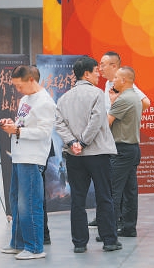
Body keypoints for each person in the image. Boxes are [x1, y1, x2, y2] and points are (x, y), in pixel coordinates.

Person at [54, 56, 121, 253]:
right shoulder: (97, 94)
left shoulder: (64, 98)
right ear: (86, 74)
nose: (98, 75)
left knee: (77, 199)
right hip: (97, 153)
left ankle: (79, 243)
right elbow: (97, 120)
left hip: (74, 156)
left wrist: (72, 143)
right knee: (104, 196)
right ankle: (109, 240)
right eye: (96, 71)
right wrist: (83, 142)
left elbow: (59, 124)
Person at [0, 65, 55, 260]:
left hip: (32, 157)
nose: (18, 89)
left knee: (29, 203)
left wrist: (18, 131)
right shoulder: (25, 99)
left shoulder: (45, 102)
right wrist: (12, 125)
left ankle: (35, 247)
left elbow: (44, 132)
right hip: (19, 155)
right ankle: (18, 242)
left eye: (19, 85)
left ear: (31, 79)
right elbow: (23, 124)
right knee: (16, 201)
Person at [107, 66, 142, 238]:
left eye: (116, 78)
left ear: (124, 80)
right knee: (130, 191)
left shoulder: (124, 100)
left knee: (113, 190)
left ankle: (109, 230)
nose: (113, 81)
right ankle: (129, 227)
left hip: (121, 150)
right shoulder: (134, 97)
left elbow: (106, 123)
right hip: (132, 149)